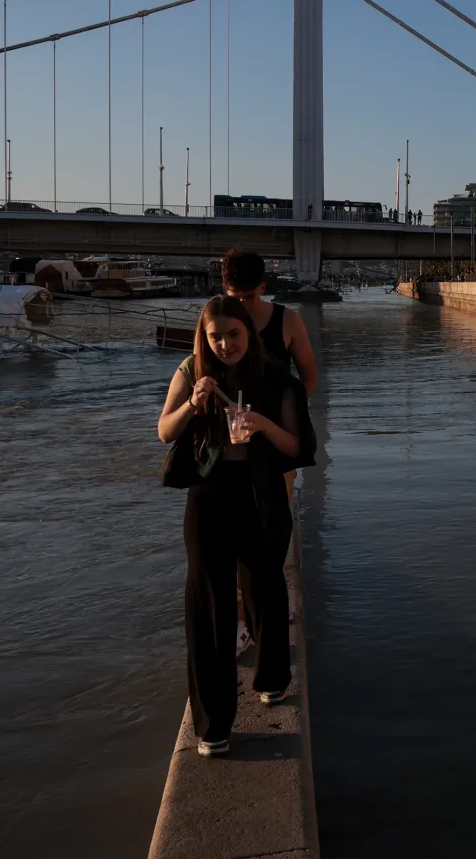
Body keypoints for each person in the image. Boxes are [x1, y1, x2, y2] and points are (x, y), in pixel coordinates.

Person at [157, 296, 313, 757]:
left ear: (249, 332)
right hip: (210, 493)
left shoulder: (277, 378)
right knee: (209, 602)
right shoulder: (190, 371)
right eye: (215, 336)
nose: (225, 344)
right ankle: (213, 724)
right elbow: (164, 431)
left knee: (264, 582)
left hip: (260, 490)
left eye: (234, 334)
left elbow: (298, 446)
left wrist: (261, 423)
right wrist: (192, 405)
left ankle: (271, 676)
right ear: (203, 339)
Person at [222, 249, 318, 397]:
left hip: (276, 416)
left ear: (262, 289)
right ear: (226, 290)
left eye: (249, 297)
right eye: (235, 299)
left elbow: (309, 378)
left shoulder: (288, 320)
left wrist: (293, 412)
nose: (243, 305)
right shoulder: (214, 322)